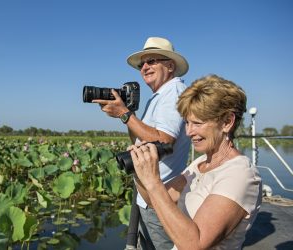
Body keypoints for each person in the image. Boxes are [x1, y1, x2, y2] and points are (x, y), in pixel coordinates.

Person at [129, 74, 262, 249]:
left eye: (197, 123)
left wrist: (153, 182)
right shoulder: (200, 164)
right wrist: (141, 172)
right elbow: (155, 202)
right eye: (187, 123)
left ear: (227, 122)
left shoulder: (240, 175)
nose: (189, 132)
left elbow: (195, 244)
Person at [93, 37, 191, 249]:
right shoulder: (158, 96)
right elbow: (140, 140)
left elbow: (164, 140)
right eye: (141, 64)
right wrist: (126, 114)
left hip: (161, 196)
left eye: (152, 61)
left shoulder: (172, 93)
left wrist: (125, 114)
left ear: (170, 65)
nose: (145, 67)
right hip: (148, 195)